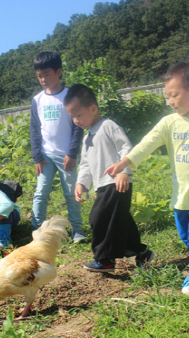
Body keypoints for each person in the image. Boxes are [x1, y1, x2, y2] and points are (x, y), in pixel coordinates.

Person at [105, 63, 189, 294]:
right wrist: (124, 162)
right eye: (168, 96)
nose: (170, 101)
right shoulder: (169, 123)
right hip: (181, 195)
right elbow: (146, 145)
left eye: (174, 95)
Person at [65, 84, 153, 271]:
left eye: (78, 115)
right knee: (120, 222)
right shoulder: (88, 136)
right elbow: (86, 164)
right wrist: (81, 183)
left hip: (117, 182)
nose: (75, 120)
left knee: (98, 218)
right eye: (72, 116)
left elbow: (126, 148)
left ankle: (104, 259)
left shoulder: (108, 126)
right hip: (102, 185)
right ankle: (142, 252)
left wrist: (124, 171)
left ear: (93, 108)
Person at [30, 50, 86, 243]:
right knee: (40, 193)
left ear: (59, 72)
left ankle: (77, 230)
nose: (43, 79)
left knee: (72, 193)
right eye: (39, 76)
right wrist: (37, 156)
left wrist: (72, 152)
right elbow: (35, 130)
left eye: (47, 74)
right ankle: (36, 230)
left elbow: (78, 126)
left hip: (66, 156)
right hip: (45, 156)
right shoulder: (37, 100)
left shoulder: (69, 96)